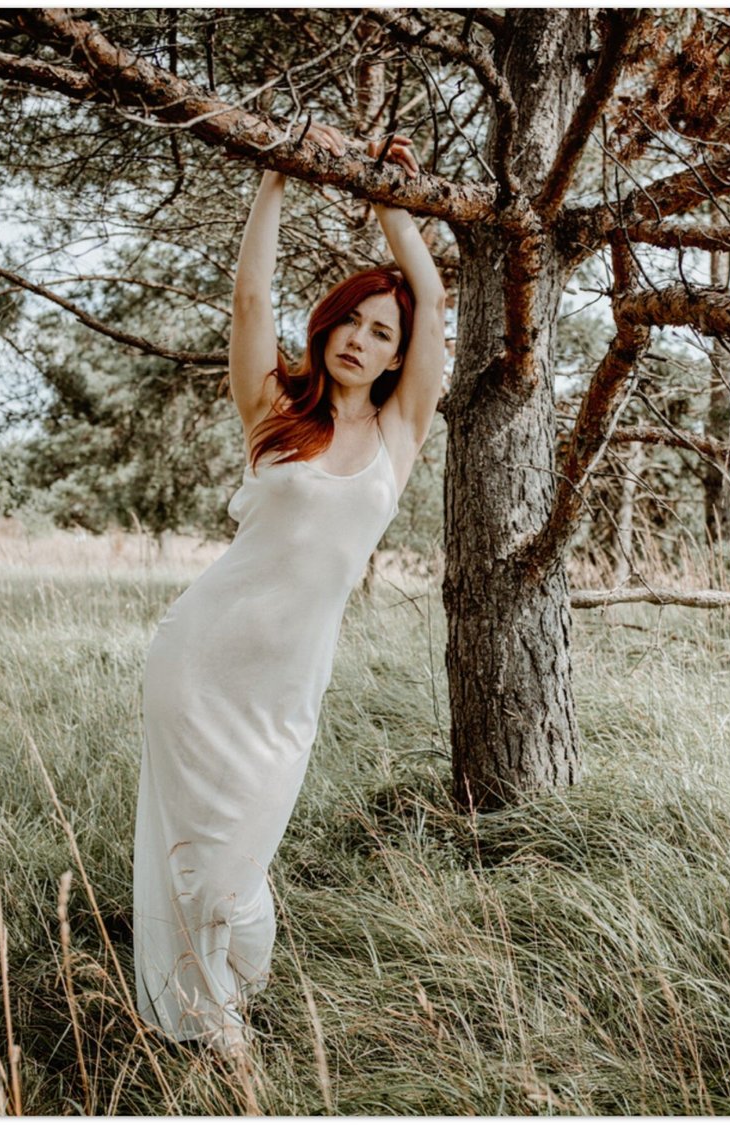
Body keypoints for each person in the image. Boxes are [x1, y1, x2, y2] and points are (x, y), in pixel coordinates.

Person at [133, 126, 446, 1058]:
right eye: (351, 319)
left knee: (237, 877)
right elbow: (250, 296)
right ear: (328, 326)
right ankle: (211, 1034)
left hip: (284, 695)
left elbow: (429, 294)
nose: (363, 338)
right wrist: (277, 176)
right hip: (198, 664)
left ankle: (226, 990)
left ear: (400, 356)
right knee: (192, 859)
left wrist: (389, 196)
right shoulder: (274, 407)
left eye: (382, 333)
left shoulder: (401, 433)